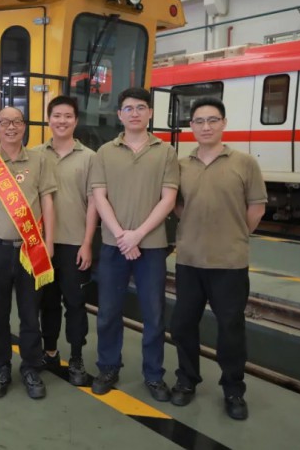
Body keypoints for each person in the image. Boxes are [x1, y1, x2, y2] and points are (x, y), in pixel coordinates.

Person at [169, 97, 267, 421]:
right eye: (199, 121)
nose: (206, 126)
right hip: (189, 260)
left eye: (212, 120)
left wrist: (236, 234)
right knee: (183, 324)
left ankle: (233, 389)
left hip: (230, 263)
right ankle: (187, 380)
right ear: (191, 126)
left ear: (224, 123)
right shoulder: (181, 165)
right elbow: (177, 205)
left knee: (230, 328)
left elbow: (256, 208)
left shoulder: (244, 163)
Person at [89, 87, 178, 402]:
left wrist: (137, 235)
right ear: (119, 115)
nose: (135, 113)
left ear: (150, 113)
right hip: (113, 245)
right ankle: (108, 368)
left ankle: (154, 375)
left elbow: (168, 199)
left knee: (154, 314)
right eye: (128, 108)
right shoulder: (104, 152)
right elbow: (99, 197)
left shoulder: (165, 152)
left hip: (151, 246)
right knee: (108, 311)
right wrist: (121, 235)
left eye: (141, 107)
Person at [0, 106, 57, 399]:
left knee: (31, 315)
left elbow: (47, 201)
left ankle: (31, 368)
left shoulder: (40, 160)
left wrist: (49, 242)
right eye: (4, 122)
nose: (11, 127)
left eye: (17, 122)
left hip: (31, 250)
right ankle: (1, 367)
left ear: (24, 126)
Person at [31, 96, 97, 386]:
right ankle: (49, 352)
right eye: (56, 115)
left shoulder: (90, 158)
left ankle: (77, 357)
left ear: (76, 121)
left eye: (68, 116)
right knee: (47, 303)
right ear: (48, 119)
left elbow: (94, 203)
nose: (62, 121)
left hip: (74, 243)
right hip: (41, 244)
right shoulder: (34, 155)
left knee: (75, 303)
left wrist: (87, 243)